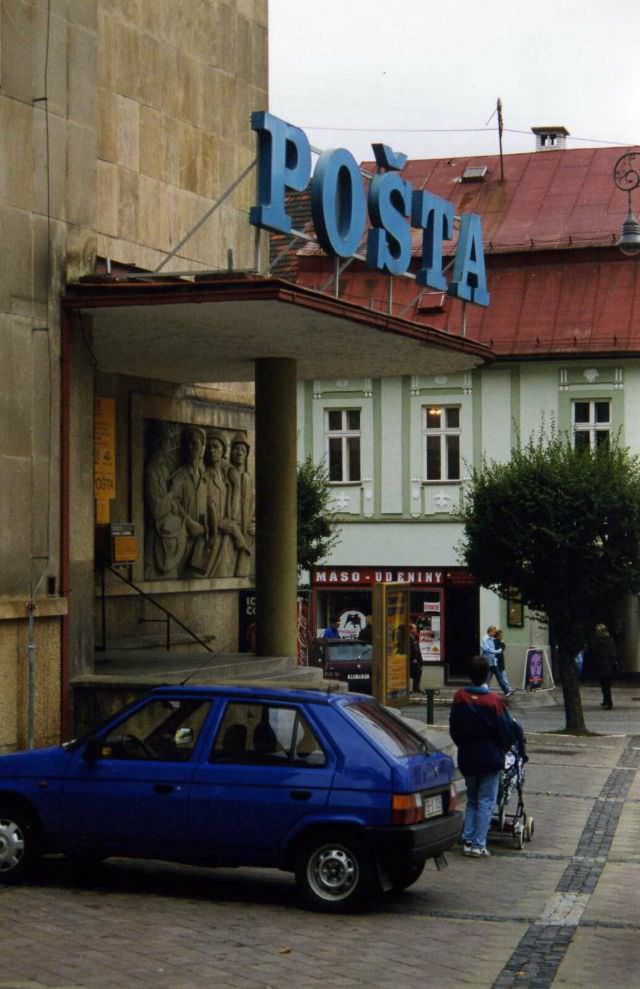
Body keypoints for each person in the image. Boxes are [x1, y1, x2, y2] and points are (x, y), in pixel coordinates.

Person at [449, 655, 516, 858]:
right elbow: (506, 730)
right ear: (487, 675)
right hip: (490, 756)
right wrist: (504, 748)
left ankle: (468, 839)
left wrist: (462, 744)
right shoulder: (494, 701)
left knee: (472, 799)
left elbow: (454, 727)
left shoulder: (460, 697)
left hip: (467, 754)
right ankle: (479, 843)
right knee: (486, 800)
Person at [591, 623, 618, 710]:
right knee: (604, 685)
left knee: (606, 685)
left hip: (606, 666)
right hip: (605, 665)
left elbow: (610, 653)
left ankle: (608, 702)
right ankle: (606, 700)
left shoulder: (605, 641)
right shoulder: (608, 640)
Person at [481, 625, 513, 696]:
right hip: (487, 662)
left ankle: (506, 691)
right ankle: (485, 691)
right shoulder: (485, 639)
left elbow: (498, 644)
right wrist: (497, 651)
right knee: (488, 678)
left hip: (493, 662)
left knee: (499, 677)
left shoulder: (491, 639)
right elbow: (487, 649)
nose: (495, 633)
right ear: (490, 631)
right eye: (494, 632)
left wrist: (501, 644)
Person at [409, 623, 423, 693]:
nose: (416, 630)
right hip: (412, 660)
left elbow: (417, 648)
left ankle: (416, 687)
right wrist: (413, 658)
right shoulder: (409, 638)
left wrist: (420, 659)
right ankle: (414, 688)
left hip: (416, 659)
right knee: (415, 673)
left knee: (417, 673)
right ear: (411, 629)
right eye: (415, 628)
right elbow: (410, 649)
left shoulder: (414, 637)